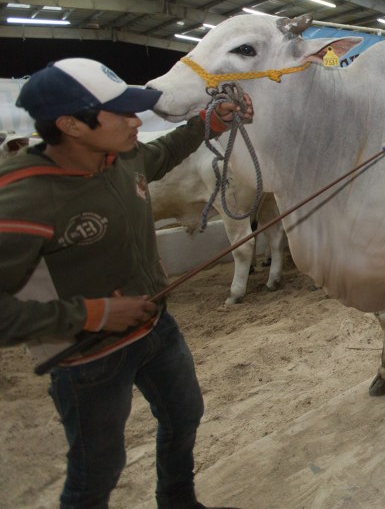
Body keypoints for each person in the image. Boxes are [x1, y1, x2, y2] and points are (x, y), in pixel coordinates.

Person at [0, 58, 249, 509]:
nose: (137, 121)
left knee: (184, 415)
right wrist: (94, 314)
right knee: (97, 469)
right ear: (71, 125)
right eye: (121, 113)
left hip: (155, 326)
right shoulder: (22, 198)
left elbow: (164, 153)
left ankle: (177, 500)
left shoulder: (121, 158)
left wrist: (209, 123)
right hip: (88, 357)